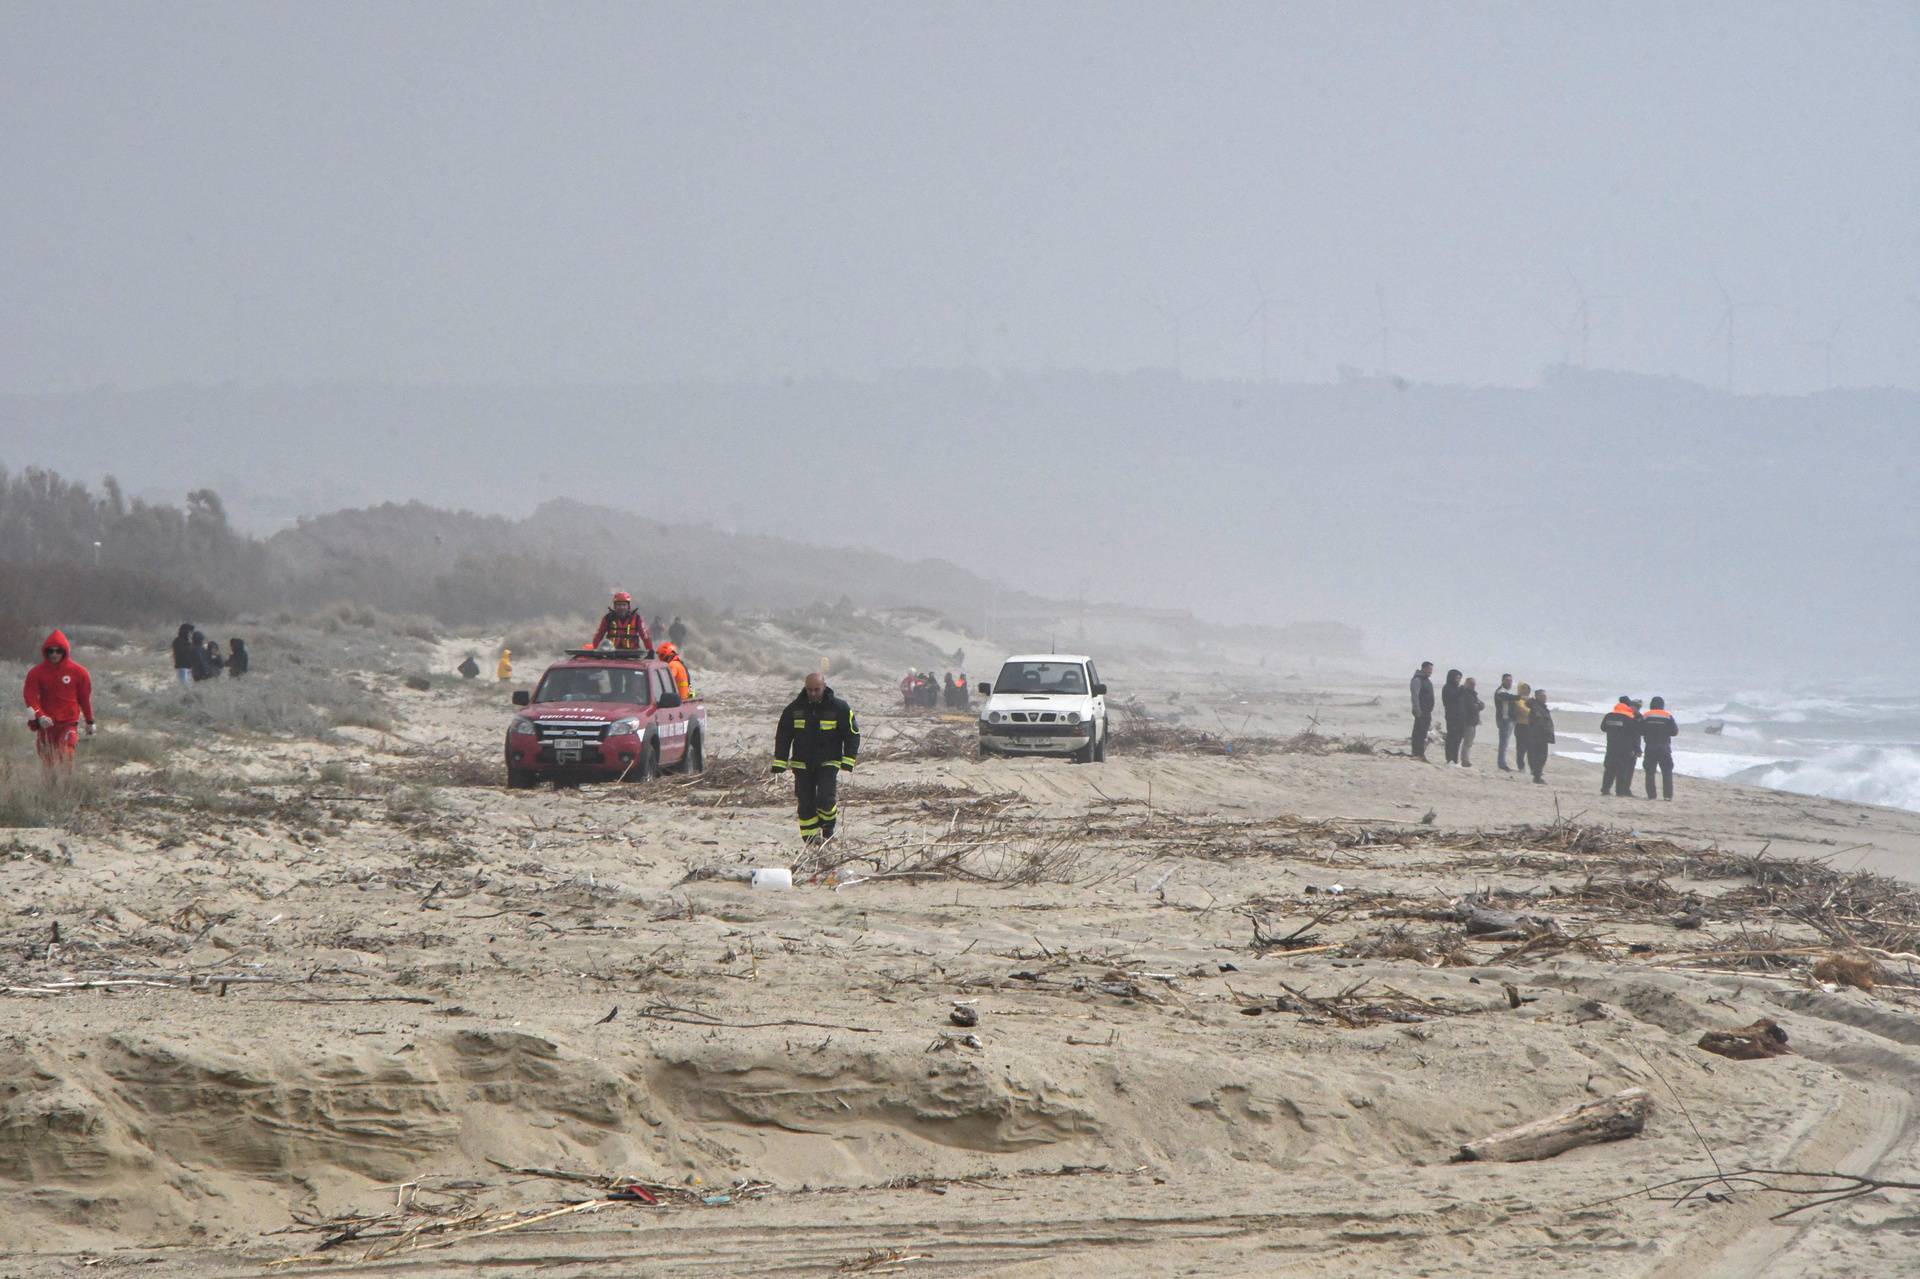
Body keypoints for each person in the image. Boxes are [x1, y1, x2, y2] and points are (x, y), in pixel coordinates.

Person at [772, 672, 860, 845]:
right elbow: (783, 736)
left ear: (824, 686)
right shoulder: (794, 709)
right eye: (809, 690)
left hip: (829, 761)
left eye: (816, 689)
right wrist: (780, 761)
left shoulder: (839, 708)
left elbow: (852, 734)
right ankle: (811, 841)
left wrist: (849, 758)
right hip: (802, 764)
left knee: (826, 799)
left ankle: (827, 828)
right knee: (805, 803)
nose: (813, 693)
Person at [23, 630, 95, 775]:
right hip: (46, 723)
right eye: (50, 651)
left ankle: (67, 784)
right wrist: (40, 716)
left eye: (58, 651)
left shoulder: (79, 672)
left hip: (68, 722)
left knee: (66, 753)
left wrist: (89, 721)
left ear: (65, 651)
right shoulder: (36, 673)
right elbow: (30, 697)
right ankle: (50, 787)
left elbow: (84, 698)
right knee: (47, 760)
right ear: (46, 652)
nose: (54, 654)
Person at [1599, 695, 1642, 797]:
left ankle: (1605, 790)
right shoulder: (1629, 718)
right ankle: (1620, 791)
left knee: (1609, 769)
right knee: (1622, 770)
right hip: (1625, 748)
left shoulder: (1609, 715)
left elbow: (1603, 728)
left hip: (1611, 746)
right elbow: (1635, 734)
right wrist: (1637, 749)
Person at [1641, 696, 1680, 800]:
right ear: (1662, 705)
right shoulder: (1668, 716)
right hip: (1664, 747)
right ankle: (1667, 796)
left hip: (1650, 747)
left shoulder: (1646, 716)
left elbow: (1640, 730)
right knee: (1667, 771)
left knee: (1650, 772)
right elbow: (1675, 732)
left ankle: (1651, 796)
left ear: (1651, 704)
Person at [1525, 689, 1555, 783]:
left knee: (1540, 756)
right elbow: (1539, 721)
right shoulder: (1536, 707)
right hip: (1538, 736)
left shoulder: (1541, 706)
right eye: (1542, 696)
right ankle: (1537, 776)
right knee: (1539, 757)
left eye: (1545, 696)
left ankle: (1537, 774)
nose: (1545, 698)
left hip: (1542, 736)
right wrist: (1545, 730)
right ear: (1537, 697)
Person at [1409, 661, 1435, 759]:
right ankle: (1416, 753)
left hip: (1427, 712)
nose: (1431, 671)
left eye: (1431, 670)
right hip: (1420, 711)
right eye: (1429, 669)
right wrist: (1417, 709)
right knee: (1418, 733)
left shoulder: (1427, 680)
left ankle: (1420, 753)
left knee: (1423, 733)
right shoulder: (1417, 680)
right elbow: (1414, 695)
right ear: (1424, 668)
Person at [1457, 676, 1485, 767]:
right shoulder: (1466, 694)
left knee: (1469, 742)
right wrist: (1478, 705)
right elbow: (1472, 707)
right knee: (1467, 742)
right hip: (1467, 721)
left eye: (1474, 684)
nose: (1473, 686)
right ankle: (1464, 760)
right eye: (1471, 684)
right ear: (1466, 684)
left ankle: (1465, 759)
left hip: (1472, 721)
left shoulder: (1473, 694)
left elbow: (1481, 705)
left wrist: (1478, 705)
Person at [1492, 674, 1518, 771]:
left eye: (1510, 681)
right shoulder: (1500, 691)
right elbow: (1507, 697)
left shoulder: (1507, 691)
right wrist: (1519, 697)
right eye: (1507, 680)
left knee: (1505, 742)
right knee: (1504, 742)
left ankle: (1502, 762)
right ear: (1502, 681)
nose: (1509, 682)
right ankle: (1502, 763)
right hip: (1504, 719)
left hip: (1510, 720)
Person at [1440, 669, 1465, 764]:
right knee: (1452, 738)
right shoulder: (1447, 687)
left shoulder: (1458, 688)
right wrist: (1461, 690)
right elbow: (1451, 698)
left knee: (1458, 739)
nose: (1458, 680)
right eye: (1457, 678)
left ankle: (1454, 759)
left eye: (1459, 678)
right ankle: (1449, 758)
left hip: (1461, 717)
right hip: (1452, 717)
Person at [1510, 681, 1533, 776]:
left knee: (1531, 748)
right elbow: (1524, 711)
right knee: (1521, 748)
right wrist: (1533, 711)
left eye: (1527, 689)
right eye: (1523, 689)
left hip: (1530, 726)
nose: (1525, 691)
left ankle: (1532, 767)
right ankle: (1521, 766)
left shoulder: (1531, 700)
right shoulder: (1517, 700)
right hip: (1521, 725)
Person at [171, 622, 198, 687]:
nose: (192, 634)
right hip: (182, 667)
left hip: (189, 667)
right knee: (184, 685)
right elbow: (184, 653)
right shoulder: (178, 641)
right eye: (191, 632)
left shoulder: (187, 641)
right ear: (186, 632)